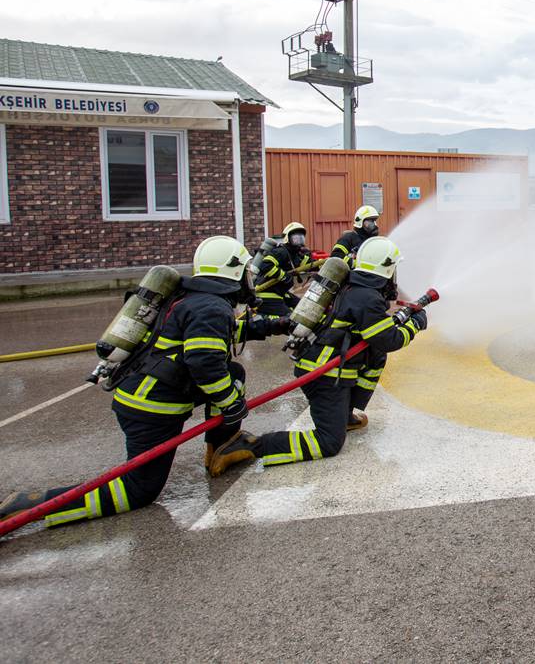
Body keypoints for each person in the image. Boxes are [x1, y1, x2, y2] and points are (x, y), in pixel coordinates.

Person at [0, 236, 292, 526]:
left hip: (145, 394)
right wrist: (231, 405)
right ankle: (31, 506)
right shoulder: (212, 308)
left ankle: (220, 449)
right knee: (139, 489)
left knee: (234, 374)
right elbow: (204, 362)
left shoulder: (189, 297)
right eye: (245, 272)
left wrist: (271, 325)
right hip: (153, 408)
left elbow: (213, 339)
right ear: (235, 272)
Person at [214, 236, 425, 467]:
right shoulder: (367, 298)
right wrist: (414, 324)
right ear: (387, 269)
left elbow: (377, 333)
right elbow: (389, 339)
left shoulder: (354, 287)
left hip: (323, 368)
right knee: (329, 442)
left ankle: (343, 416)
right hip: (325, 375)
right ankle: (252, 445)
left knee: (375, 355)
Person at [254, 221, 318, 318]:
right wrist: (283, 276)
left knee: (301, 306)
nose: (299, 242)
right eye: (296, 239)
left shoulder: (295, 255)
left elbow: (311, 265)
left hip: (280, 293)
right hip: (266, 294)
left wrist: (327, 263)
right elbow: (266, 265)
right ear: (288, 238)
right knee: (291, 318)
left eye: (301, 238)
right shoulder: (281, 252)